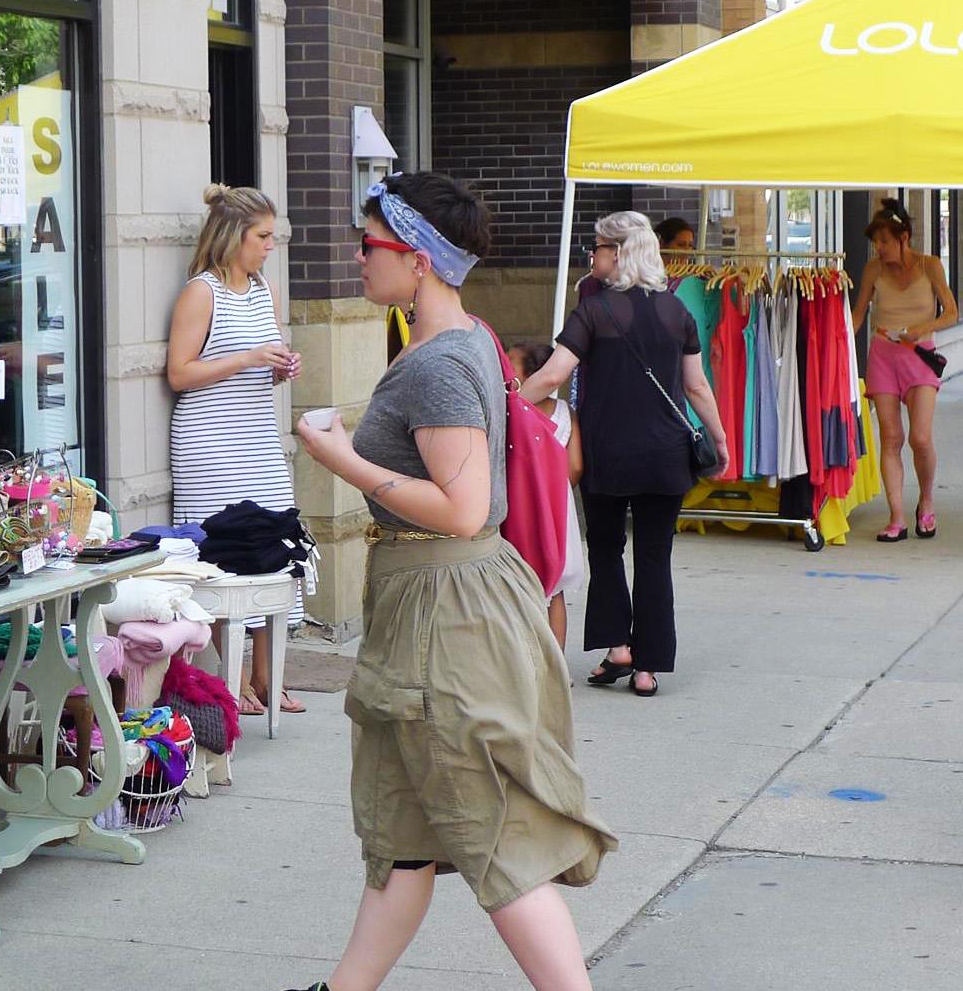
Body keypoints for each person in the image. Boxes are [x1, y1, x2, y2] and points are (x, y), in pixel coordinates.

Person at [291, 171, 615, 991]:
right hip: (435, 608)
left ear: (420, 261)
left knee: (493, 835)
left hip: (446, 616)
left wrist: (340, 459)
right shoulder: (464, 337)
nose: (357, 259)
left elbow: (463, 508)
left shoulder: (437, 362)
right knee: (406, 837)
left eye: (369, 245)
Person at [518, 211, 731, 699]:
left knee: (607, 549)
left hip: (607, 454)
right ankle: (648, 668)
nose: (591, 256)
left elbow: (553, 376)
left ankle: (618, 648)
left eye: (596, 248)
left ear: (618, 253)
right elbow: (696, 386)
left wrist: (508, 403)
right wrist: (718, 439)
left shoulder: (593, 312)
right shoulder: (678, 313)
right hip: (665, 456)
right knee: (656, 557)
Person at [165, 183, 306, 717]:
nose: (271, 245)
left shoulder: (263, 289)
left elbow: (258, 370)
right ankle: (237, 679)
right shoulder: (202, 291)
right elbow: (180, 373)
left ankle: (271, 678)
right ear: (233, 236)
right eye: (263, 236)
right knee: (226, 554)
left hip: (256, 435)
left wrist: (278, 370)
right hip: (209, 438)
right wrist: (248, 357)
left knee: (275, 544)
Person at [851, 197, 959, 542]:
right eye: (875, 242)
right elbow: (858, 315)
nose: (878, 248)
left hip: (919, 354)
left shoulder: (930, 266)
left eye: (884, 241)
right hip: (883, 355)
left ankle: (926, 501)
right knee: (891, 438)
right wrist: (834, 340)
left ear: (904, 237)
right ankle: (896, 516)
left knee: (920, 437)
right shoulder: (872, 270)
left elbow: (952, 313)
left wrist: (921, 327)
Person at [509, 341, 587, 646]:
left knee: (520, 581)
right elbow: (577, 465)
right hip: (559, 506)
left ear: (531, 374)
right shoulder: (567, 413)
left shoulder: (515, 411)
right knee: (555, 589)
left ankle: (525, 661)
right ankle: (558, 665)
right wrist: (558, 489)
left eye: (512, 363)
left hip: (522, 505)